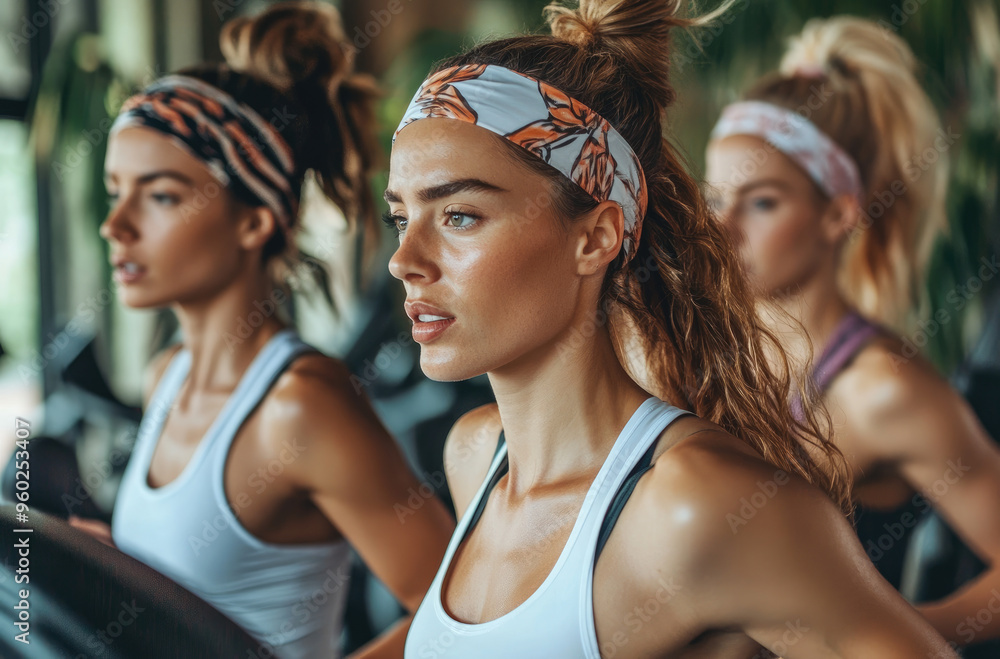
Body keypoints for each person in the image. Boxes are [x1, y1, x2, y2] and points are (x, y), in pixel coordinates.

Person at [384, 0, 958, 657]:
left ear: (595, 237)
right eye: (401, 217)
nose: (405, 260)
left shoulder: (695, 505)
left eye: (459, 215)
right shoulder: (473, 455)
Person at [70, 3, 454, 657]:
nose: (117, 225)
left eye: (160, 195)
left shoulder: (300, 405)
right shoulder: (167, 377)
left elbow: (458, 605)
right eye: (116, 191)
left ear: (255, 220)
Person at [705, 15, 1000, 647]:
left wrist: (889, 636)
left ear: (838, 214)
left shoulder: (882, 390)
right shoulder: (695, 347)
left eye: (760, 202)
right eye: (714, 199)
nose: (724, 228)